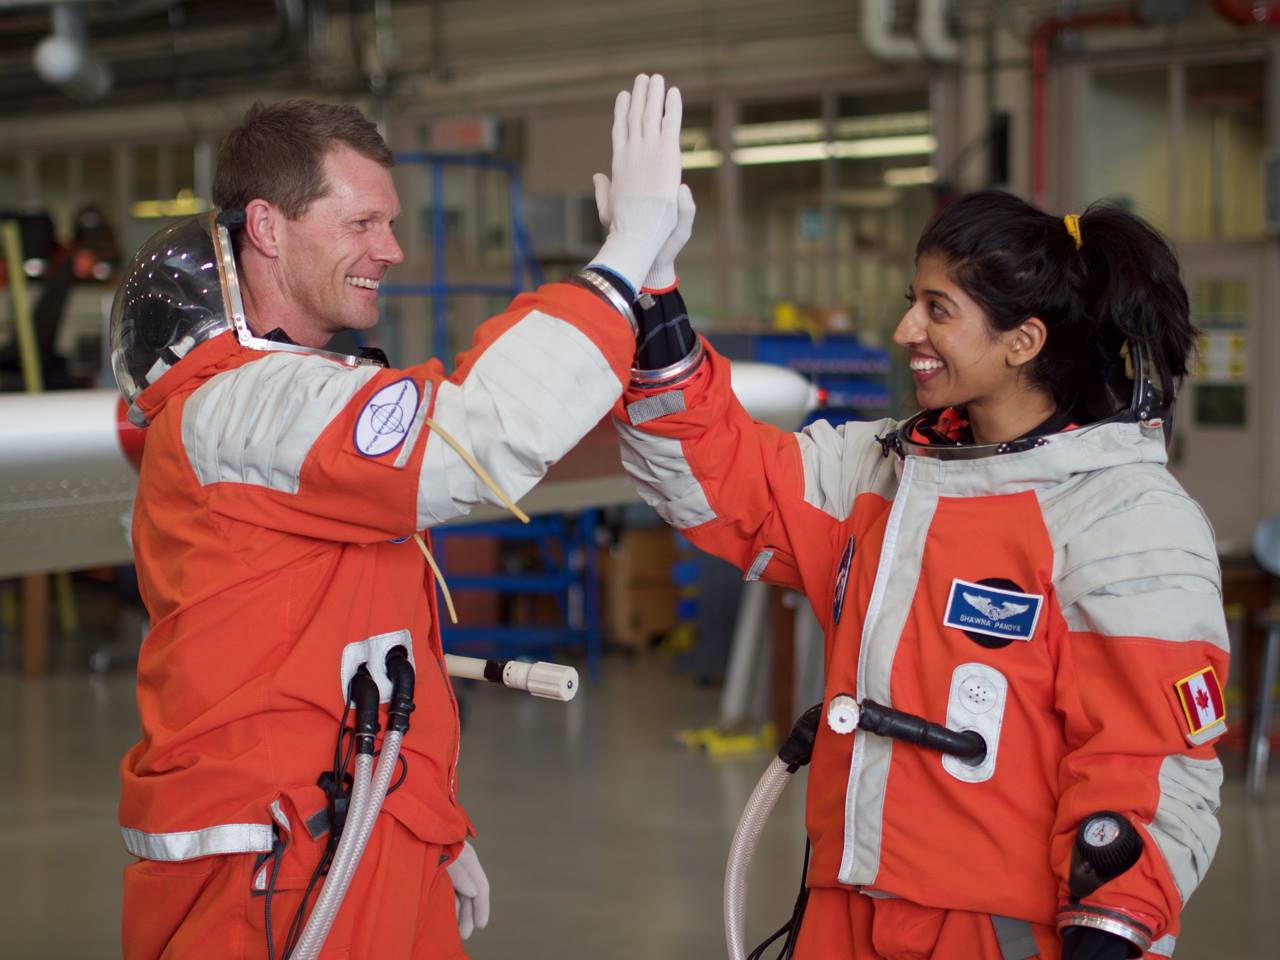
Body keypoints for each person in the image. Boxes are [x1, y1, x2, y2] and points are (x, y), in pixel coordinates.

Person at [112, 76, 683, 959]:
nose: (394, 249)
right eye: (362, 223)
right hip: (275, 863)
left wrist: (427, 823)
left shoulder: (294, 399)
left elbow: (356, 638)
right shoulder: (241, 406)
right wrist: (625, 257)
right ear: (268, 227)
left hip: (358, 822)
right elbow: (483, 436)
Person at [611, 189, 1227, 959]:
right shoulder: (878, 472)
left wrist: (1112, 928)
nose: (907, 330)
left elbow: (1151, 763)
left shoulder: (1124, 516)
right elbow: (719, 474)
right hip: (845, 917)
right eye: (913, 303)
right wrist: (649, 289)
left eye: (938, 310)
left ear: (1023, 340)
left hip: (1001, 931)